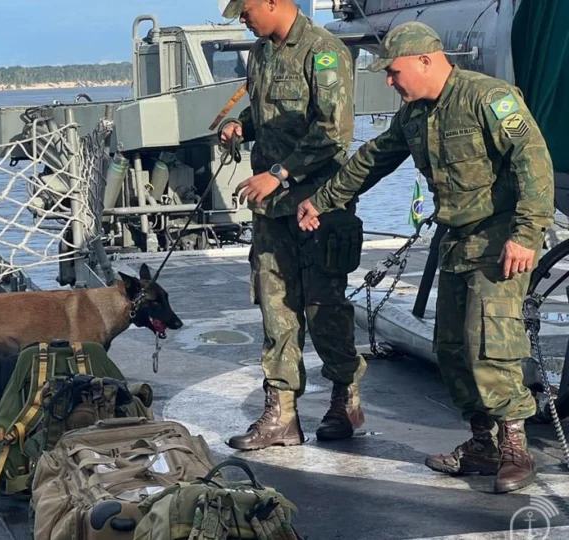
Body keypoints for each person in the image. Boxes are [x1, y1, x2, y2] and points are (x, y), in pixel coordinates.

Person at [297, 21, 554, 493]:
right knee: (452, 348)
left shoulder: (489, 98)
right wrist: (323, 199)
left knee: (488, 342)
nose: (390, 83)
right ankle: (483, 444)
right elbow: (373, 158)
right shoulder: (414, 116)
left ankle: (516, 447)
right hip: (456, 243)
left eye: (394, 73)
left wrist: (527, 232)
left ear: (426, 60)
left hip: (499, 242)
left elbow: (532, 160)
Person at [217, 0, 368, 451]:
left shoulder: (324, 52)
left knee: (325, 310)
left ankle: (346, 397)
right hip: (272, 212)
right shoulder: (261, 53)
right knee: (275, 308)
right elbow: (267, 114)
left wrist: (279, 174)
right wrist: (239, 127)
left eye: (245, 11)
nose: (242, 20)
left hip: (317, 205)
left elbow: (332, 133)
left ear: (272, 2)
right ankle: (281, 413)